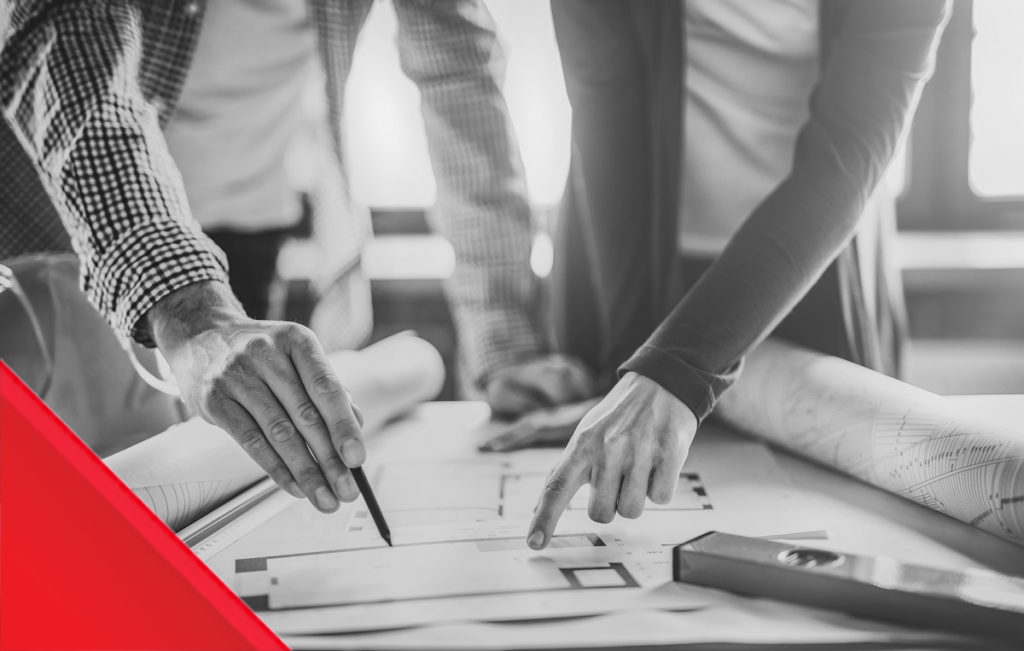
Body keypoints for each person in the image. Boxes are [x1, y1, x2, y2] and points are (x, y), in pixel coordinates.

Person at [0, 0, 591, 516]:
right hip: (73, 238)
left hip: (250, 239)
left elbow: (458, 76)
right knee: (68, 505)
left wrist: (507, 348)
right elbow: (72, 56)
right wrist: (195, 313)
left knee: (214, 481)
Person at [526, 0, 952, 550]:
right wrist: (628, 369)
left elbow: (849, 157)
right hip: (631, 274)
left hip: (809, 268)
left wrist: (676, 366)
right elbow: (606, 98)